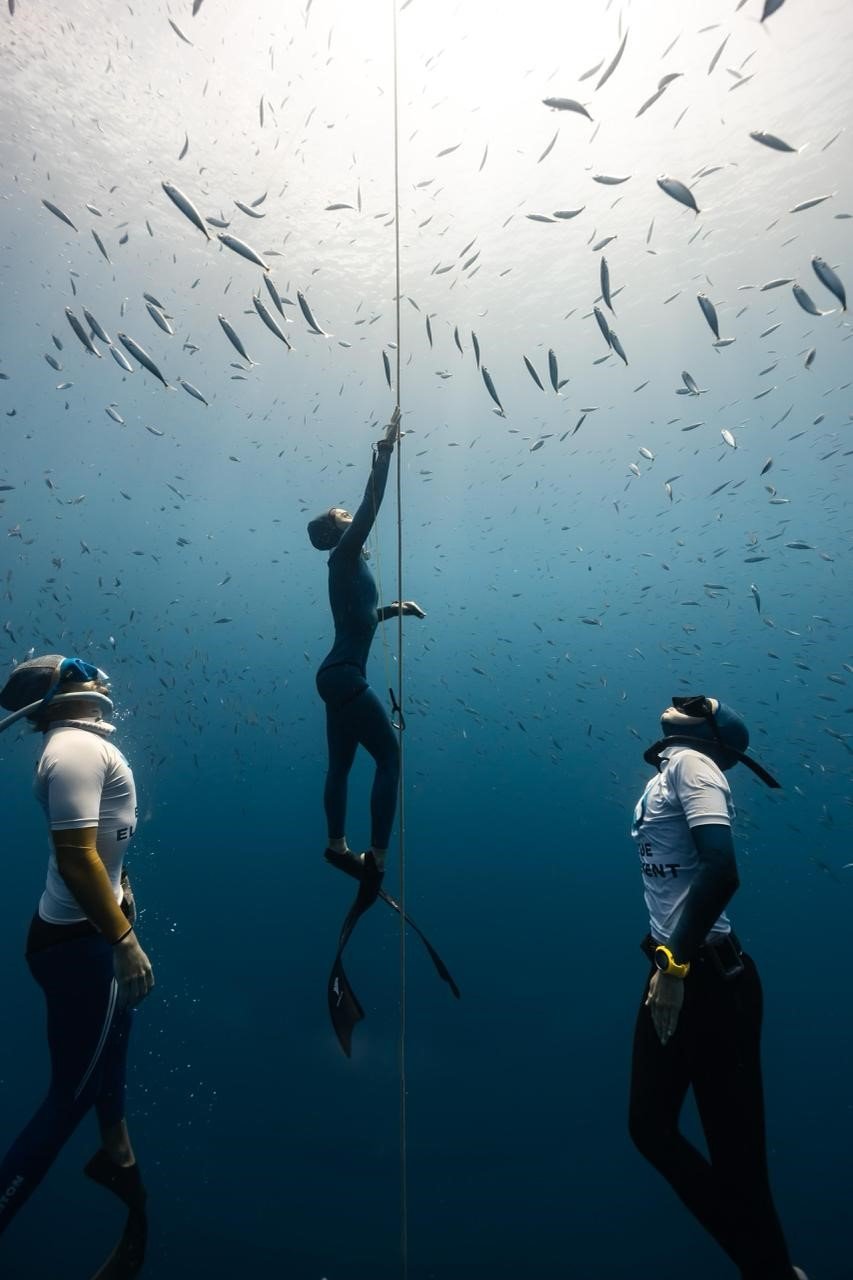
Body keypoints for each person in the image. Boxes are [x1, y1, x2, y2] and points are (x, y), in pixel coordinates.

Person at [628, 695, 808, 1280]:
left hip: (707, 981)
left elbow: (723, 869)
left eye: (695, 702)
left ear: (711, 733)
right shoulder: (670, 771)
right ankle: (769, 1267)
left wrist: (675, 966)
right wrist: (669, 965)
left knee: (737, 1162)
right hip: (676, 972)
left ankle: (771, 1271)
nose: (677, 701)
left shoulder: (692, 764)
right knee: (649, 1128)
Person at [0, 655, 154, 1279]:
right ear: (63, 690)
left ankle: (116, 1151)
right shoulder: (75, 751)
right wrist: (122, 937)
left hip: (76, 938)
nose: (103, 674)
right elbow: (75, 859)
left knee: (111, 1042)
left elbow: (100, 851)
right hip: (77, 948)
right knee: (69, 1097)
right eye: (85, 666)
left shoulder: (76, 748)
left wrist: (120, 896)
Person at [308, 408, 428, 1053]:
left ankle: (336, 844)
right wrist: (382, 451)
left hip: (334, 673)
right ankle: (375, 853)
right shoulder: (349, 550)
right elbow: (373, 504)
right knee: (390, 758)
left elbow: (358, 617)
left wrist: (392, 609)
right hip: (346, 676)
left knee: (344, 766)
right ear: (339, 531)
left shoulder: (346, 572)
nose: (354, 524)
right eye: (346, 521)